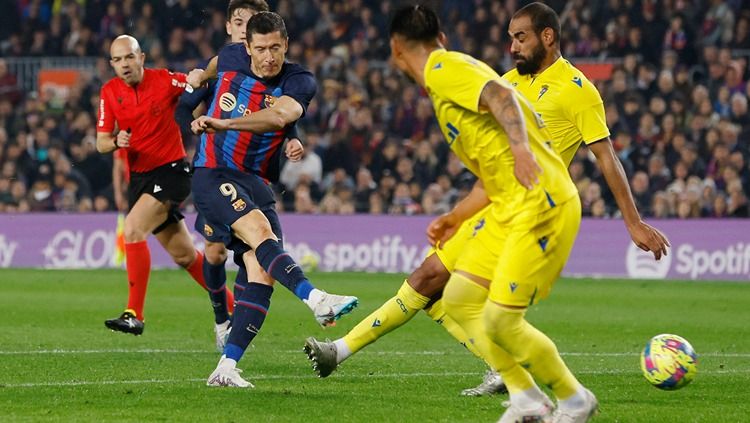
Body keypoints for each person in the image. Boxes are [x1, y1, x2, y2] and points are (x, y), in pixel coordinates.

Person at [303, 1, 670, 401]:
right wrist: (460, 212)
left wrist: (632, 222)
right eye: (510, 37)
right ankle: (345, 353)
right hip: (497, 203)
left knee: (458, 297)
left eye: (521, 37)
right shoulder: (508, 80)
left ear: (548, 36)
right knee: (434, 286)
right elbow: (493, 160)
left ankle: (544, 391)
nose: (512, 46)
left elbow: (606, 156)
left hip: (533, 209)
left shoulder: (576, 89)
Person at [188, 12, 358, 387]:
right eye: (261, 49)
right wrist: (200, 75)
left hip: (257, 182)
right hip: (213, 172)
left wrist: (226, 123)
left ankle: (226, 368)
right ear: (246, 48)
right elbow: (216, 64)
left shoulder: (300, 80)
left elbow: (280, 115)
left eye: (276, 48)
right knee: (258, 231)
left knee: (262, 271)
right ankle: (316, 299)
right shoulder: (231, 57)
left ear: (287, 45)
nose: (269, 57)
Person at [96, 35, 225, 335]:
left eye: (129, 57)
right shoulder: (109, 92)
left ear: (141, 57)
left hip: (171, 172)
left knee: (132, 229)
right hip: (140, 179)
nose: (124, 64)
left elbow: (196, 85)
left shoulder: (164, 81)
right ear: (112, 64)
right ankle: (232, 304)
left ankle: (134, 313)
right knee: (184, 255)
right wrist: (116, 141)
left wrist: (200, 85)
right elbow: (102, 142)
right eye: (117, 60)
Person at [175, 0, 275, 351]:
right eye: (239, 21)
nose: (244, 28)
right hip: (216, 172)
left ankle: (239, 334)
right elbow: (184, 107)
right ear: (230, 29)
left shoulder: (268, 71)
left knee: (254, 251)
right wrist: (196, 122)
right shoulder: (219, 69)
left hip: (252, 172)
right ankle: (221, 318)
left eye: (252, 23)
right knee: (215, 254)